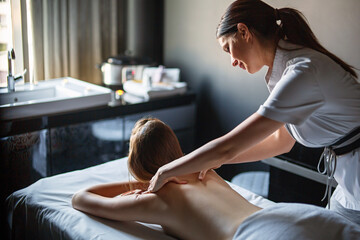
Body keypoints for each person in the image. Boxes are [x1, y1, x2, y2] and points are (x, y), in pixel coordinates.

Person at [147, 0, 360, 226]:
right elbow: (281, 142)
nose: (232, 61)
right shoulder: (290, 71)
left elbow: (227, 147)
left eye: (228, 48)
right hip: (348, 184)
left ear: (243, 31)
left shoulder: (303, 73)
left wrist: (166, 170)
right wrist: (212, 162)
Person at [72, 118, 360, 240]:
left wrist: (144, 184)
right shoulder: (204, 171)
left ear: (142, 169)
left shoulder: (157, 199)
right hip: (295, 216)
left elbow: (81, 198)